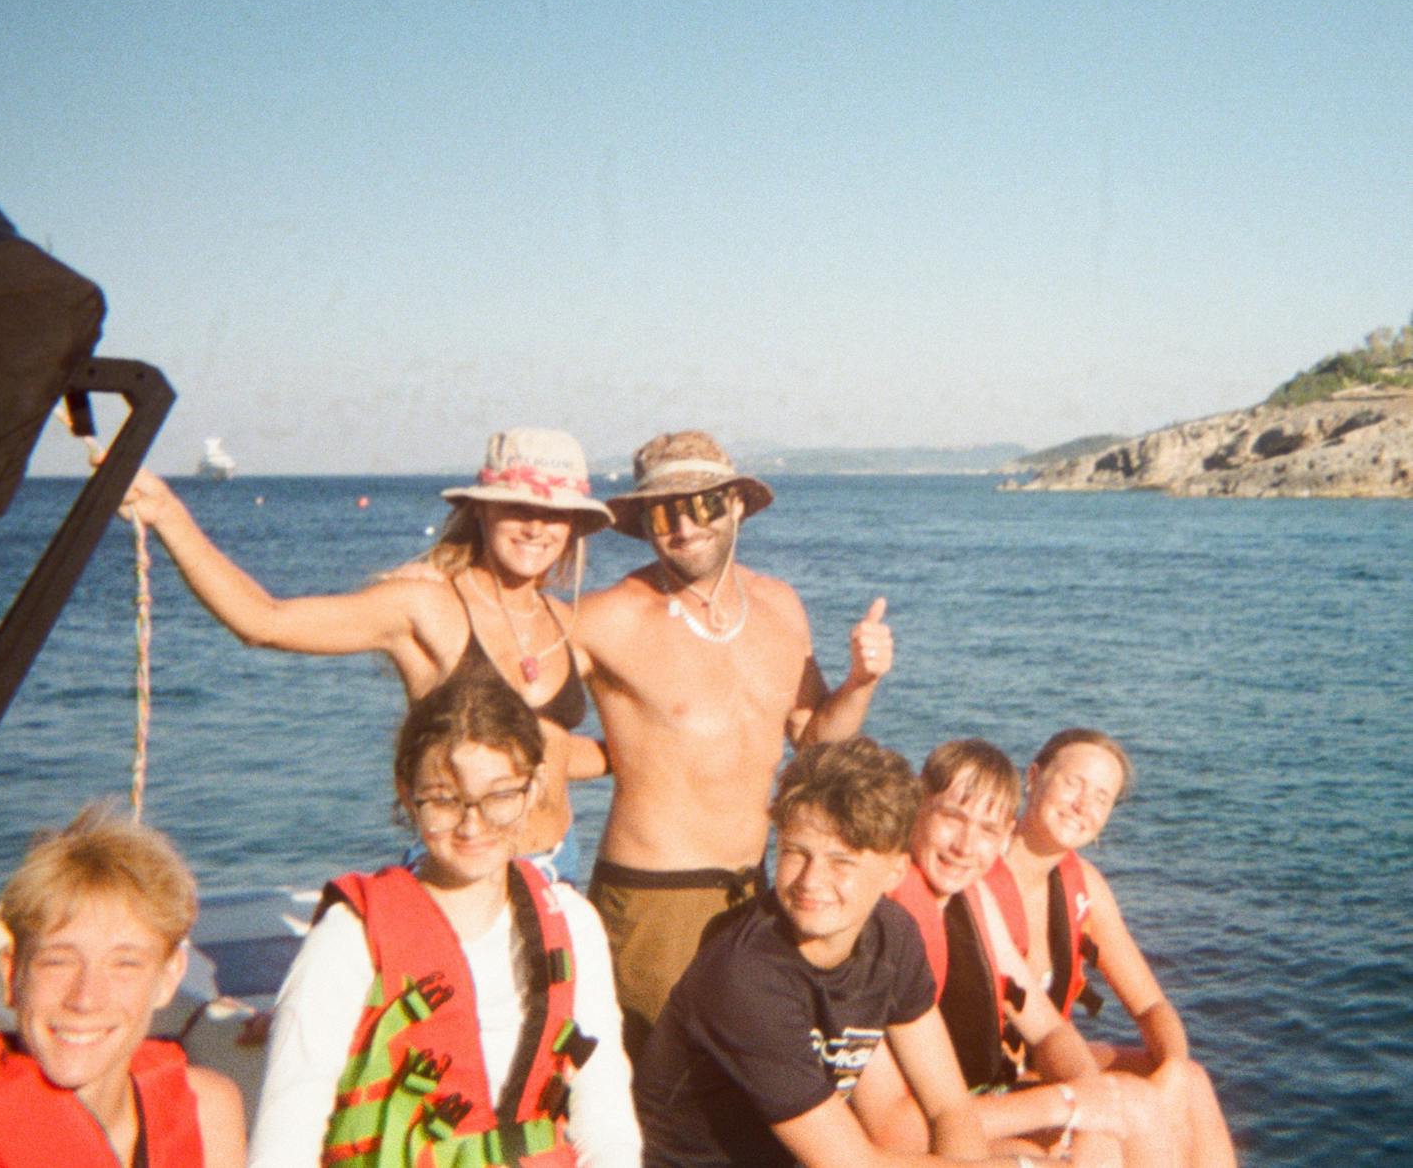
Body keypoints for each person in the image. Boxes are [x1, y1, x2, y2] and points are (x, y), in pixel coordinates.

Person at [122, 427, 615, 880]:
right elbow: (263, 621)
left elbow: (552, 752)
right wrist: (167, 512)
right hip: (464, 870)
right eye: (517, 508)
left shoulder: (564, 623)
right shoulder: (425, 605)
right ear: (482, 511)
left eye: (555, 513)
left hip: (558, 864)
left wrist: (641, 754)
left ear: (573, 525)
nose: (536, 527)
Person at [575, 430, 893, 1056]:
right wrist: (608, 756)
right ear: (644, 525)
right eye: (663, 513)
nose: (685, 527)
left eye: (703, 504)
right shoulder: (607, 617)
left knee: (744, 1085)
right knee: (655, 1086)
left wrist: (860, 682)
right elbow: (513, 723)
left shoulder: (779, 606)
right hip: (653, 901)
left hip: (757, 891)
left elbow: (814, 744)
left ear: (738, 505)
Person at [633, 735, 1087, 1168]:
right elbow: (849, 1162)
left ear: (894, 872)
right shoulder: (745, 977)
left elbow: (950, 1109)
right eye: (796, 852)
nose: (811, 881)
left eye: (842, 862)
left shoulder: (893, 936)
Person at [247, 673, 639, 1168]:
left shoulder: (573, 926)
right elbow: (285, 1141)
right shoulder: (349, 939)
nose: (473, 824)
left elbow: (605, 1117)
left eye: (500, 796)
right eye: (444, 799)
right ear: (406, 793)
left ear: (535, 787)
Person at [882, 739, 1174, 1167]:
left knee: (1124, 1114)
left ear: (1003, 835)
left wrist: (1089, 1092)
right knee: (1089, 1141)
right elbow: (892, 1130)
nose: (965, 845)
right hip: (914, 1136)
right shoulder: (883, 920)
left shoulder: (975, 900)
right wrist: (1068, 1102)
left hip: (969, 1107)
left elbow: (1047, 1029)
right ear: (917, 807)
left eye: (987, 830)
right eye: (952, 817)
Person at [0, 804, 246, 1168]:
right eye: (58, 961)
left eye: (124, 964)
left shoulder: (207, 1114)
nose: (85, 999)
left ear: (168, 979)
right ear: (11, 975)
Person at [999, 729, 1236, 1167]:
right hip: (984, 1085)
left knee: (1191, 1079)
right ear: (1033, 777)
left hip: (1040, 1067)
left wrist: (1170, 1071)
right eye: (1073, 783)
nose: (1083, 805)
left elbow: (1151, 1007)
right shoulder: (975, 865)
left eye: (1101, 797)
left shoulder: (1083, 886)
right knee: (1129, 1110)